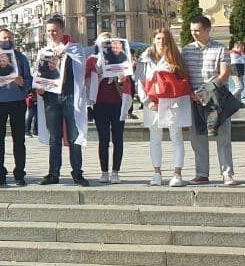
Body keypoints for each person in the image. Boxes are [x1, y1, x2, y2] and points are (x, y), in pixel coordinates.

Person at [35, 15, 91, 186]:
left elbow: (81, 68)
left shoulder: (74, 48)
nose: (52, 34)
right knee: (54, 136)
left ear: (62, 31)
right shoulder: (44, 52)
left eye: (55, 30)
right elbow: (39, 74)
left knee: (74, 135)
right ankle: (53, 173)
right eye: (49, 31)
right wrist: (40, 88)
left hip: (70, 96)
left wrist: (64, 53)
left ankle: (77, 172)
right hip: (51, 98)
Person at [182, 16, 236, 186]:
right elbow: (183, 74)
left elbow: (225, 74)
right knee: (197, 138)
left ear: (207, 30)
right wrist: (190, 92)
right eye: (192, 31)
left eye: (197, 30)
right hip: (194, 99)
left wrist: (206, 90)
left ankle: (227, 174)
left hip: (216, 98)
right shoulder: (186, 50)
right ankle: (201, 173)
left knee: (223, 137)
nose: (194, 34)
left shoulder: (220, 49)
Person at [138, 28, 192, 187]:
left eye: (165, 39)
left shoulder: (176, 59)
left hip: (173, 103)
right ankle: (156, 173)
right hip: (152, 103)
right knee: (155, 138)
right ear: (153, 40)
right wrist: (148, 101)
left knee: (176, 137)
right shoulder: (145, 59)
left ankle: (177, 173)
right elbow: (139, 82)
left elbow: (184, 81)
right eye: (158, 39)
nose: (161, 42)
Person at [0, 28, 32, 187]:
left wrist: (22, 83)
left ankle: (19, 173)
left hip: (17, 101)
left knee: (19, 139)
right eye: (4, 38)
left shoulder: (20, 58)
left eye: (10, 38)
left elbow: (29, 80)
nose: (8, 41)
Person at [89, 31, 132, 183]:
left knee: (118, 138)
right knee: (103, 139)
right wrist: (98, 75)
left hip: (118, 102)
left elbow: (126, 81)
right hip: (100, 103)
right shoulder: (93, 61)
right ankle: (104, 171)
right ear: (97, 45)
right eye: (102, 42)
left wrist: (121, 79)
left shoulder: (120, 58)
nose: (105, 45)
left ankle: (115, 172)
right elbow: (85, 80)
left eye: (108, 42)